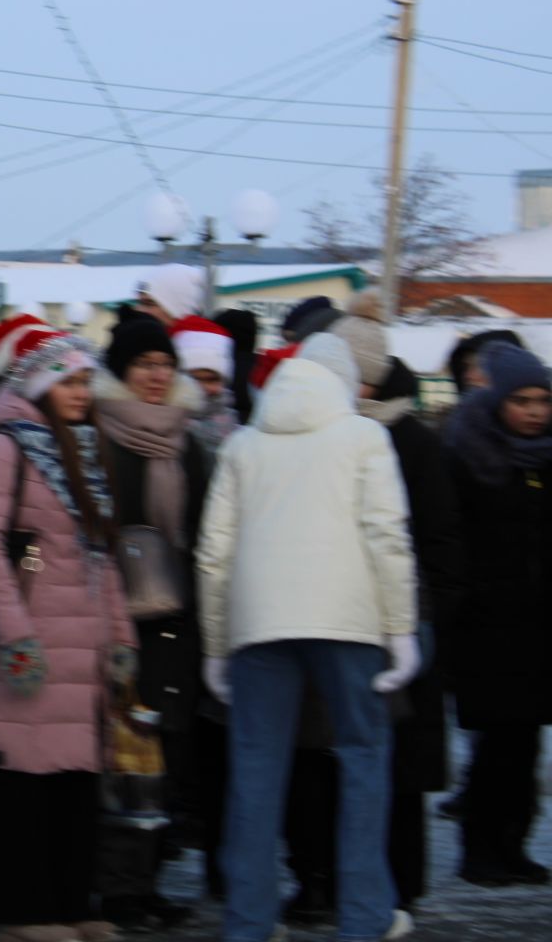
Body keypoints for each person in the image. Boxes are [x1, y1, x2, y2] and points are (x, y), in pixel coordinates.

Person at [196, 334, 420, 942]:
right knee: (363, 762)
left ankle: (249, 919)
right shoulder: (365, 437)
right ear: (347, 383)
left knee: (256, 768)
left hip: (259, 624)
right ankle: (366, 913)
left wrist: (217, 646)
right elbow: (387, 536)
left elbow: (214, 554)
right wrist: (400, 628)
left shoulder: (244, 444)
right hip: (350, 621)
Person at [283, 298, 464, 919]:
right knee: (318, 756)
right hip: (325, 614)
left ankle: (395, 885)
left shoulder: (409, 439)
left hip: (395, 621)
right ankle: (319, 878)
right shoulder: (313, 430)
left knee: (393, 761)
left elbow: (434, 535)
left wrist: (421, 613)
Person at [0, 327, 134, 942]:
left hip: (80, 642)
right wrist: (15, 633)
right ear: (40, 383)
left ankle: (71, 901)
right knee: (23, 784)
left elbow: (100, 555)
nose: (81, 393)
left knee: (74, 783)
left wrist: (121, 638)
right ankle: (26, 911)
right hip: (28, 642)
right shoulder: (6, 447)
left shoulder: (84, 451)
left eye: (86, 382)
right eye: (70, 382)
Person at [91, 318, 211, 933]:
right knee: (121, 758)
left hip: (175, 620)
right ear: (121, 372)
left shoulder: (189, 443)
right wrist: (34, 581)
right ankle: (117, 888)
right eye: (144, 364)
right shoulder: (95, 436)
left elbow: (209, 534)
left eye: (166, 363)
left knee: (163, 756)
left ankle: (145, 882)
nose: (158, 375)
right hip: (110, 618)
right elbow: (40, 535)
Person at [440, 339, 552, 888]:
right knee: (495, 744)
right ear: (499, 401)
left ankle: (514, 845)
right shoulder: (469, 453)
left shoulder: (545, 457)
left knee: (525, 743)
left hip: (536, 625)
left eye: (542, 401)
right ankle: (481, 848)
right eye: (523, 401)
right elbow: (450, 538)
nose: (534, 412)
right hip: (485, 625)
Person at [171, 316, 240, 456]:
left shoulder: (239, 434)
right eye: (193, 379)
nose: (202, 388)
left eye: (212, 379)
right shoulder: (161, 424)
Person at [135, 265, 207, 330]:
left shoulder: (199, 344)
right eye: (139, 302)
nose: (138, 309)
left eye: (149, 303)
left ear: (179, 308)